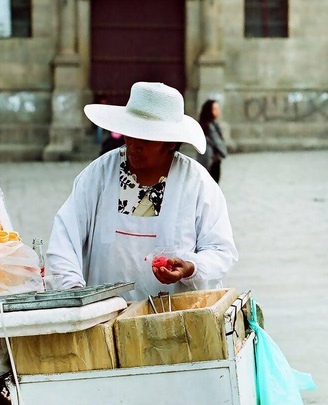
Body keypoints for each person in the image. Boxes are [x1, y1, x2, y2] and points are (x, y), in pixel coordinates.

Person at [48, 82, 238, 303]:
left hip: (173, 319)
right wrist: (74, 290)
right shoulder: (99, 174)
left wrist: (191, 267)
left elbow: (220, 250)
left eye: (146, 139)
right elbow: (65, 235)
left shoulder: (196, 182)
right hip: (104, 317)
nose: (134, 145)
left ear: (170, 142)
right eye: (130, 134)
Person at [196, 99, 229, 183]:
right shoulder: (210, 126)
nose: (218, 111)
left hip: (207, 162)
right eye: (215, 109)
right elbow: (217, 142)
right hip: (211, 162)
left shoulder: (207, 124)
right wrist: (224, 152)